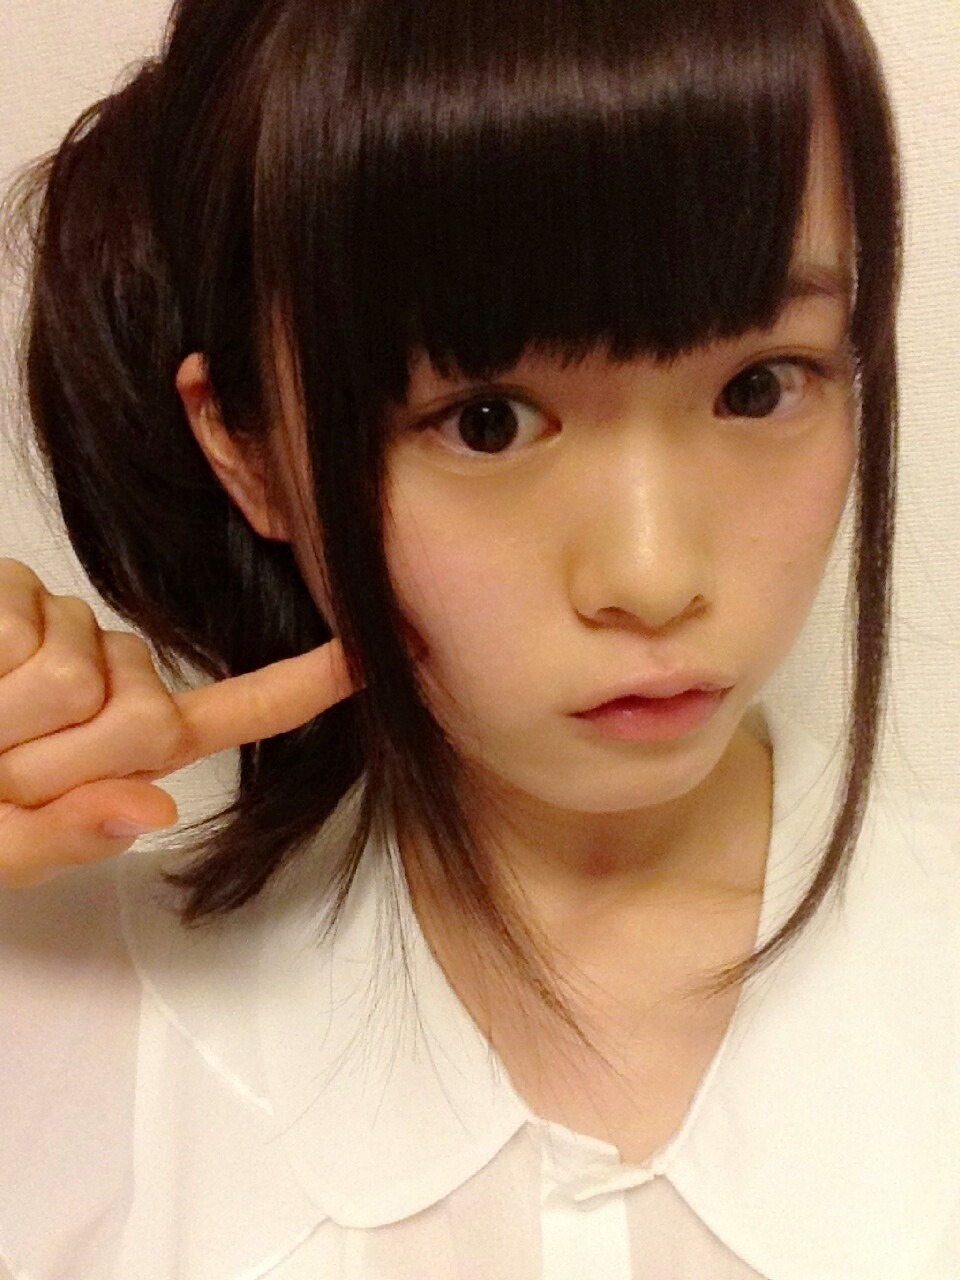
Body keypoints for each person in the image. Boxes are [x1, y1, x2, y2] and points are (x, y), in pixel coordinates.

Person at [0, 0, 957, 1276]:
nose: (653, 576)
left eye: (759, 385)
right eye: (487, 419)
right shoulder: (60, 1021)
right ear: (251, 447)